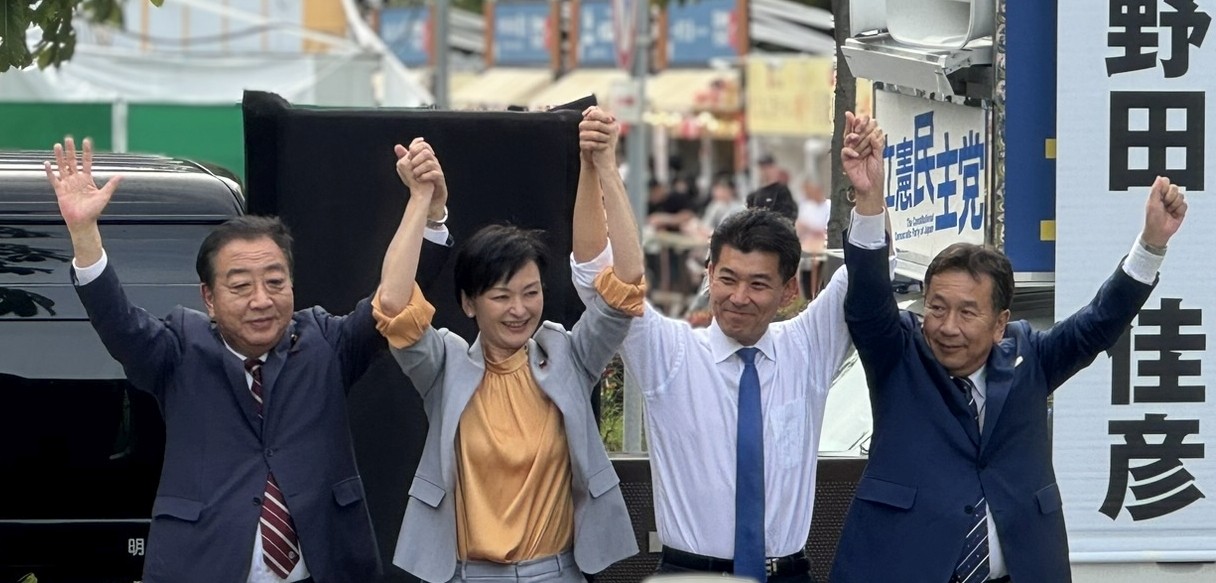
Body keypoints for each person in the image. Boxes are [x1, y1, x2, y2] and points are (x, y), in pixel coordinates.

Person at [45, 136, 453, 582]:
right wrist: (84, 234)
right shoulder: (179, 350)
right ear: (209, 298)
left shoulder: (326, 343)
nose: (261, 300)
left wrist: (425, 208)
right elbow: (119, 323)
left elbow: (392, 302)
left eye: (275, 282)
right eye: (240, 286)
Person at [832, 110, 1188, 583]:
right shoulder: (899, 355)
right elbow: (867, 303)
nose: (947, 326)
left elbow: (1097, 324)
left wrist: (1151, 245)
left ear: (1001, 323)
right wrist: (869, 199)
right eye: (937, 308)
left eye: (967, 312)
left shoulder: (1028, 357)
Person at [574, 115, 885, 582]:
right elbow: (595, 276)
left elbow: (869, 272)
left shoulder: (809, 347)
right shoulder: (671, 353)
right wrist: (598, 167)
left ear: (788, 291)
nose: (739, 297)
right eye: (728, 278)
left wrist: (868, 193)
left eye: (758, 284)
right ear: (709, 274)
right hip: (689, 575)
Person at [371, 106, 644, 583]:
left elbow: (627, 279)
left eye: (530, 293)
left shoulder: (569, 356)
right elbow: (393, 304)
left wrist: (605, 166)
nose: (519, 309)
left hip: (558, 573)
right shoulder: (445, 366)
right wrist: (421, 201)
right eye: (501, 296)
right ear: (469, 303)